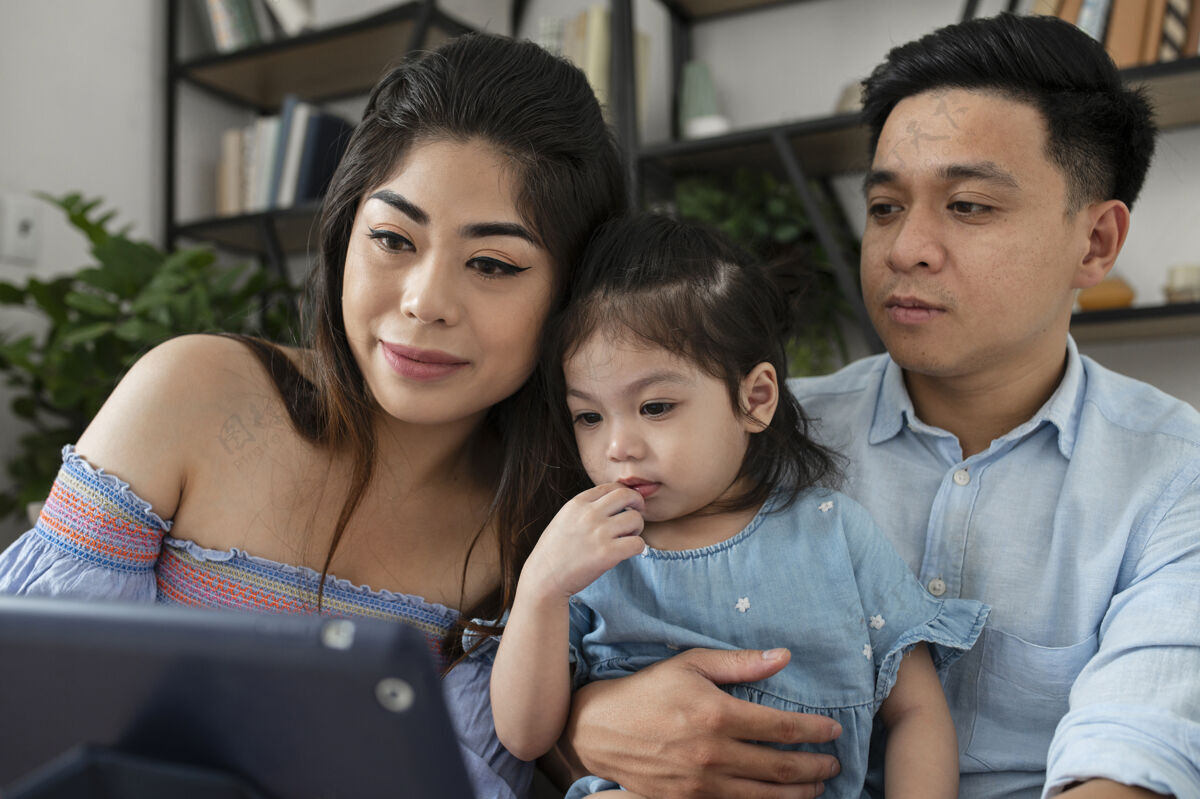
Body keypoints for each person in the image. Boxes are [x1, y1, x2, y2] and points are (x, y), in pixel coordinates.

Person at [558, 13, 1200, 799]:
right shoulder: (744, 435)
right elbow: (601, 624)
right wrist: (587, 718)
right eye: (887, 206)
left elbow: (1133, 758)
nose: (905, 249)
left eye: (968, 206)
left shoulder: (1175, 473)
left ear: (1096, 242)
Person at [0, 32, 625, 799]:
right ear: (343, 231)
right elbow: (31, 709)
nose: (424, 301)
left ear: (572, 295)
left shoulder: (553, 524)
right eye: (393, 238)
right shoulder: (192, 392)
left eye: (492, 264)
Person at [484, 213, 987, 799]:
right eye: (589, 416)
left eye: (655, 407)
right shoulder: (585, 553)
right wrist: (541, 588)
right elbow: (522, 736)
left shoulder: (831, 534)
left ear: (755, 399)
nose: (617, 445)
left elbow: (917, 714)